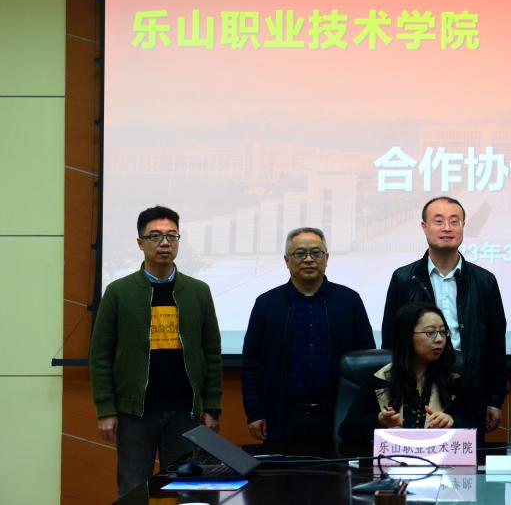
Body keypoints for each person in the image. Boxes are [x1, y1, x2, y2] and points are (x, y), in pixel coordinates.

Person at [89, 206, 222, 496]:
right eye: (156, 236)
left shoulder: (198, 291)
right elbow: (100, 355)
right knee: (133, 488)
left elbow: (212, 353)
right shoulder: (119, 292)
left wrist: (212, 406)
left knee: (184, 489)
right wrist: (105, 409)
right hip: (135, 414)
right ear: (140, 242)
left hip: (185, 412)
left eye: (172, 236)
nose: (165, 243)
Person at [381, 197, 507, 433]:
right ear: (424, 227)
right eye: (438, 221)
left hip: (470, 389)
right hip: (416, 390)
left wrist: (494, 399)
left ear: (463, 226)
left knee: (467, 452)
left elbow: (495, 344)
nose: (447, 228)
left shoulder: (485, 281)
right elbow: (391, 340)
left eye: (454, 221)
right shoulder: (404, 279)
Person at [242, 226, 375, 443]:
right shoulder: (266, 304)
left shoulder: (349, 301)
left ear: (326, 258)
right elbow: (251, 363)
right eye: (300, 253)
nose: (309, 259)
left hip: (339, 415)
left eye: (316, 253)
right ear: (287, 260)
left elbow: (366, 359)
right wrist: (255, 412)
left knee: (340, 466)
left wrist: (363, 412)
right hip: (283, 416)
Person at [340, 303, 472, 443]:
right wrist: (379, 420)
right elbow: (346, 431)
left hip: (442, 456)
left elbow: (478, 432)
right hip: (393, 456)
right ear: (406, 336)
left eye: (443, 332)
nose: (439, 339)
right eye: (430, 332)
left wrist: (453, 422)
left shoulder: (456, 380)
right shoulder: (381, 379)